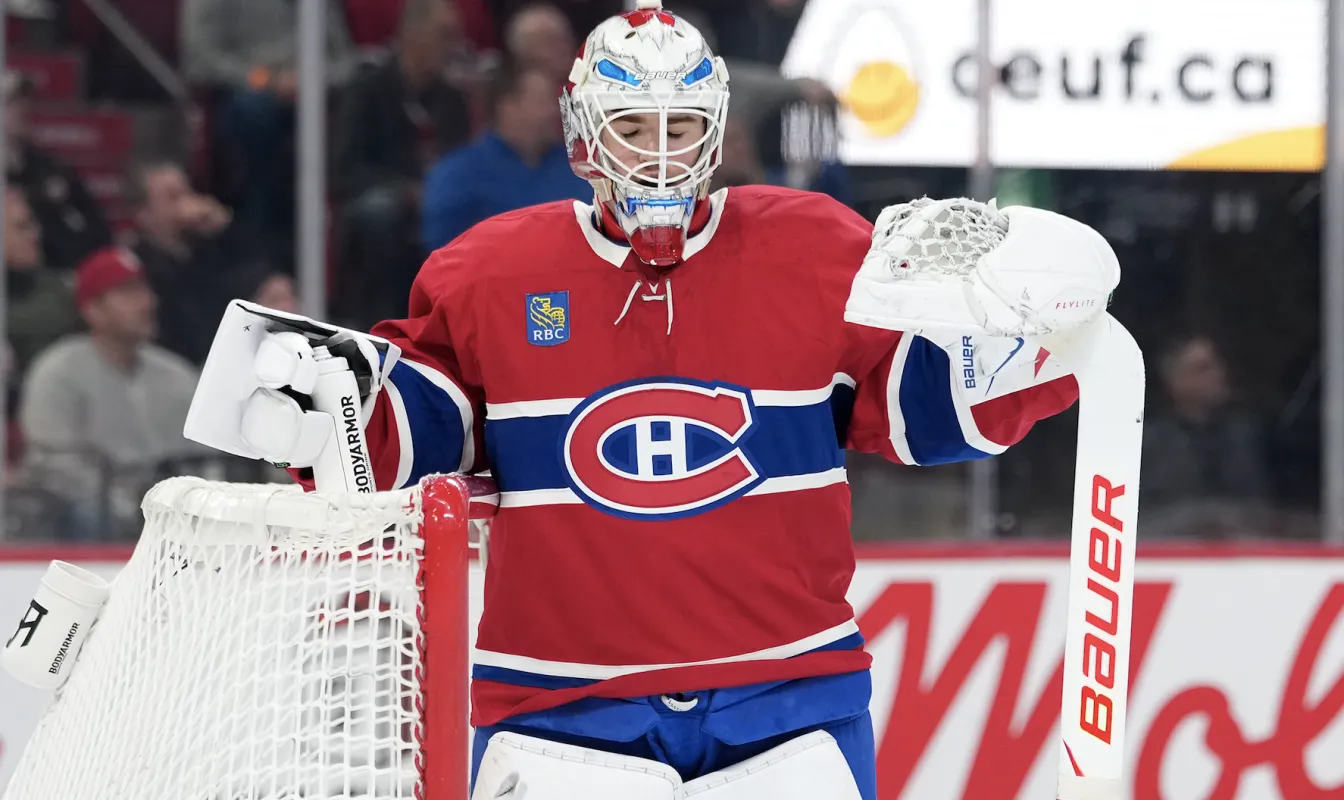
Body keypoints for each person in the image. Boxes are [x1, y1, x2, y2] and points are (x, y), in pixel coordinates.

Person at [191, 3, 1119, 796]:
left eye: (683, 128)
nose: (663, 156)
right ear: (585, 135)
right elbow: (420, 434)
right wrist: (328, 405)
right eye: (636, 127)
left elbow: (916, 412)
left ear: (717, 130)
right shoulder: (491, 271)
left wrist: (1033, 349)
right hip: (563, 707)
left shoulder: (814, 249)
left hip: (788, 695)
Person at [19, 247, 201, 540]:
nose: (147, 303)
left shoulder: (175, 373)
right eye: (128, 292)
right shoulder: (58, 371)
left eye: (145, 289)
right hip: (91, 516)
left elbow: (203, 455)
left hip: (170, 512)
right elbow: (52, 467)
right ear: (93, 309)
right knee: (89, 513)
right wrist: (128, 503)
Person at [332, 0, 473, 324]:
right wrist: (407, 191)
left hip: (440, 199)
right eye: (445, 36)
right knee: (381, 214)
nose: (455, 47)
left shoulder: (452, 101)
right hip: (382, 197)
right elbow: (345, 170)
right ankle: (381, 321)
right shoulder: (366, 91)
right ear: (413, 35)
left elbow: (464, 164)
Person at [420, 59, 588, 252]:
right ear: (508, 107)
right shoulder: (458, 174)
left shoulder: (578, 168)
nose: (555, 111)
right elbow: (443, 254)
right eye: (543, 102)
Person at [126, 160, 247, 366]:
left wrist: (226, 228)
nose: (187, 205)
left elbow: (255, 277)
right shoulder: (137, 265)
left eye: (188, 193)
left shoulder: (209, 250)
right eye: (173, 197)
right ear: (143, 213)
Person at [4, 72, 112, 269]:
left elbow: (97, 222)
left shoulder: (52, 168)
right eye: (11, 103)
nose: (23, 109)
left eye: (24, 102)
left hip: (71, 272)